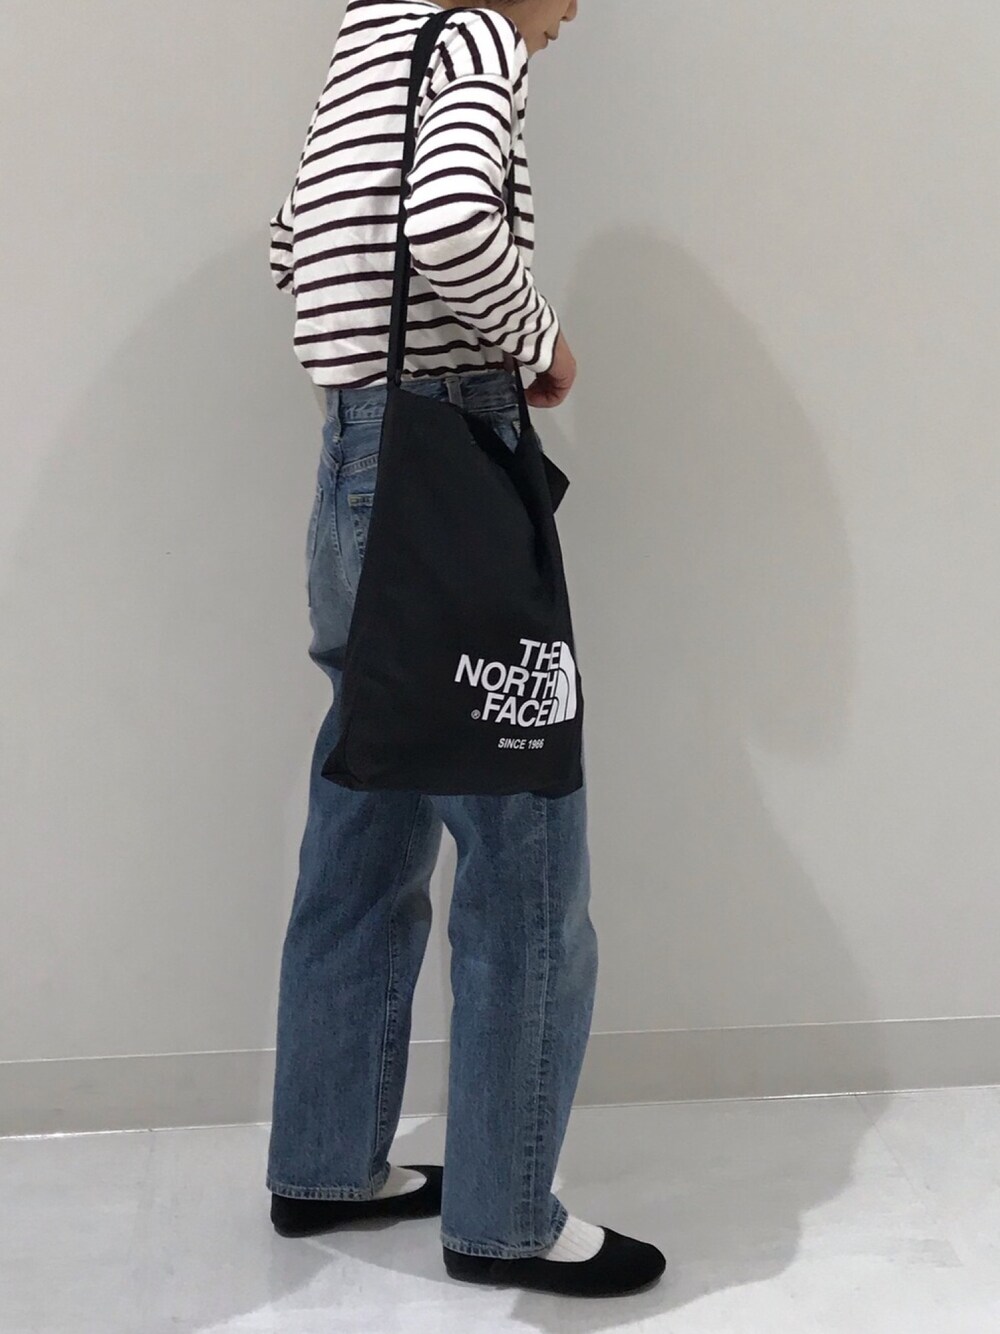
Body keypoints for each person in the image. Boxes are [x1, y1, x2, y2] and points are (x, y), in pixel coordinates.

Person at [264, 0, 665, 1299]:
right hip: (446, 472)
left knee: (364, 826)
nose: (575, 13)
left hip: (350, 470)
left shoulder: (367, 36)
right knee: (523, 852)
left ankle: (326, 1162)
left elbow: (291, 241)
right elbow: (445, 220)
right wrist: (537, 338)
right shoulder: (477, 35)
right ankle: (505, 1219)